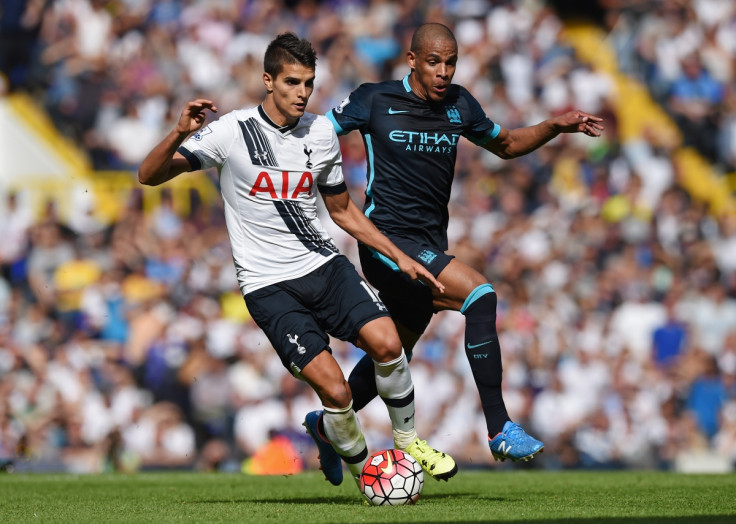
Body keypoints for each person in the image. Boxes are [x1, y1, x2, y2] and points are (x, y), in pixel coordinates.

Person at [137, 32, 457, 490]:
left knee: (388, 343)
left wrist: (399, 257)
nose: (303, 93)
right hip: (269, 286)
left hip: (324, 267)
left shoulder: (321, 132)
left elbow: (343, 211)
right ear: (268, 81)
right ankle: (367, 472)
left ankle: (407, 443)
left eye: (309, 83)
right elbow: (148, 177)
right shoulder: (232, 130)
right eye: (292, 82)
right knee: (337, 391)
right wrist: (178, 133)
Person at [311, 23, 605, 469]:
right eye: (434, 62)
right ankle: (500, 427)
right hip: (387, 244)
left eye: (450, 62)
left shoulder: (460, 104)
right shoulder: (374, 99)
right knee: (480, 295)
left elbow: (505, 144)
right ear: (412, 61)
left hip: (428, 243)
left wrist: (552, 127)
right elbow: (316, 133)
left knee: (393, 357)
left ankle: (328, 428)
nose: (443, 71)